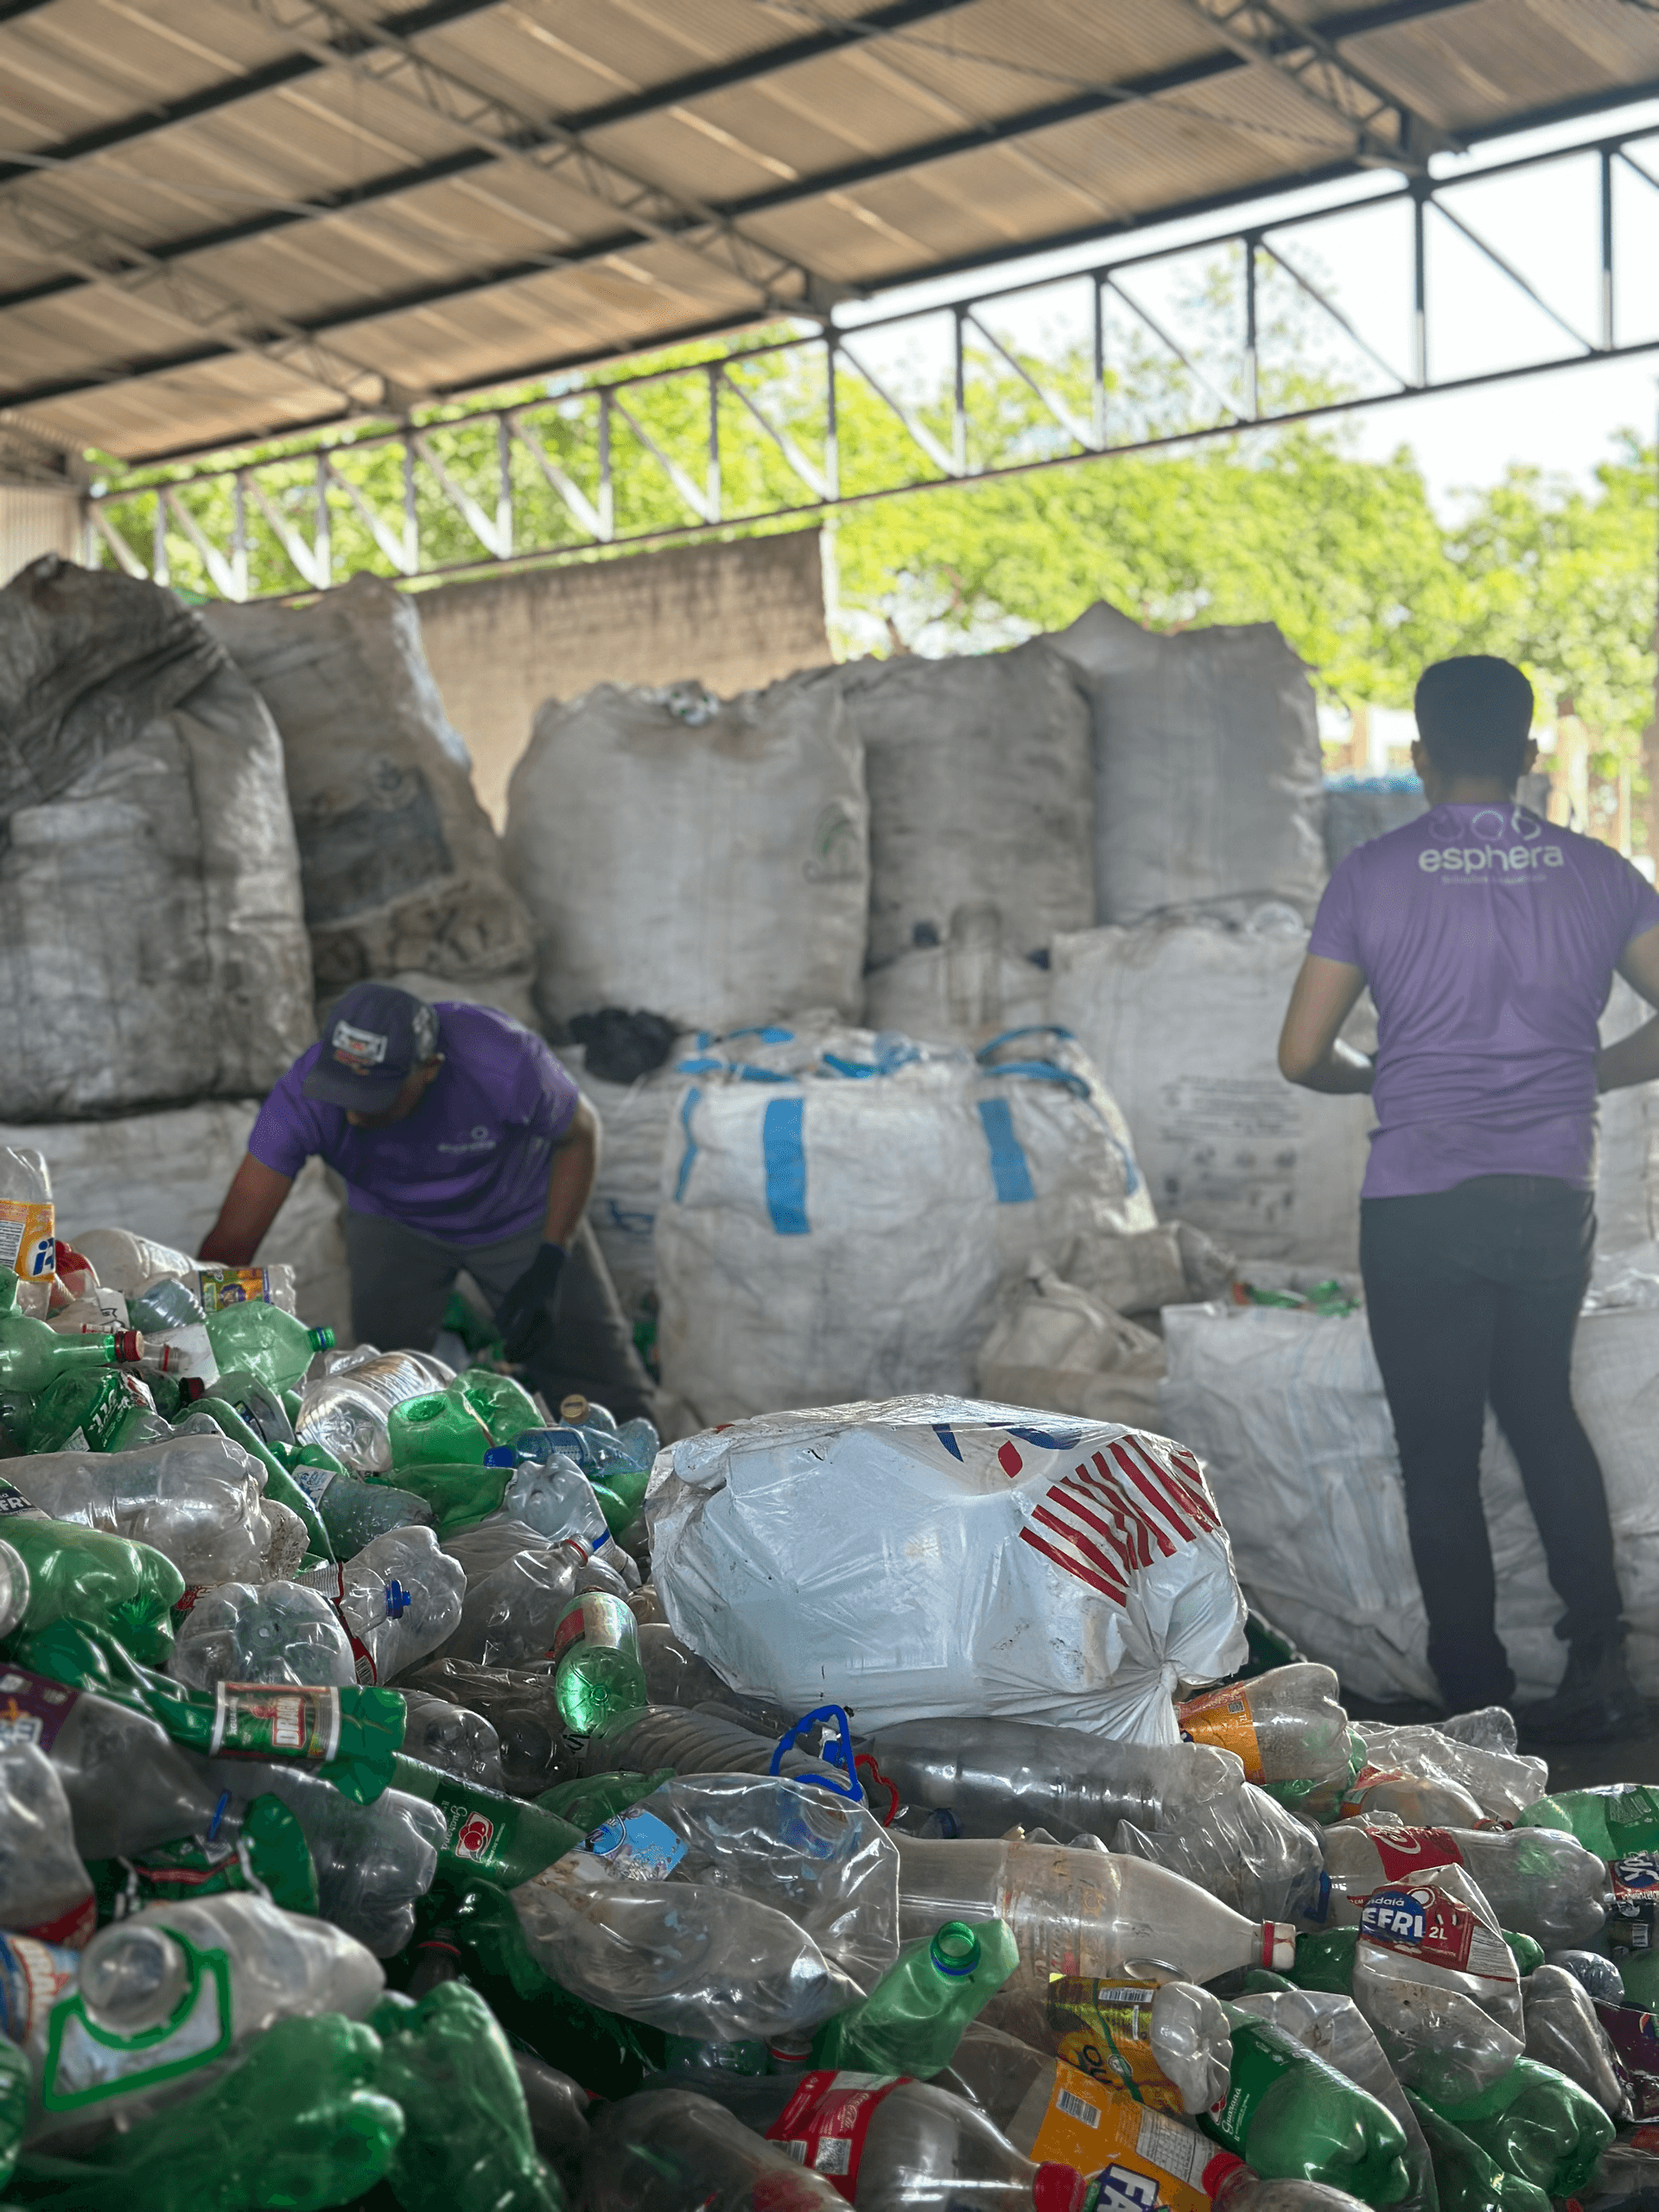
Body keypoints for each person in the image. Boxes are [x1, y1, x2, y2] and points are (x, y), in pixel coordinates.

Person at [1278, 654, 1659, 1741]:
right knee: (1543, 1412)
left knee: (1438, 1455)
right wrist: (1591, 1071)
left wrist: (1376, 1075)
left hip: (1419, 1200)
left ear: (1417, 759)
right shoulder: (1600, 873)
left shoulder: (1372, 874)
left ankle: (1478, 1702)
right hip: (1551, 1189)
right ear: (1532, 758)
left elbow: (1304, 1052)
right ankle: (1602, 1664)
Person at [199, 982, 656, 1423]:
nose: (354, 1112)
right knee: (382, 1376)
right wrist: (195, 1334)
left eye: (375, 1097)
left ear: (429, 1069)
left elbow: (580, 1135)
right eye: (343, 1092)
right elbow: (233, 1241)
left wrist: (551, 1258)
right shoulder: (303, 1097)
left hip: (517, 1212)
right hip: (392, 1219)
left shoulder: (501, 1061)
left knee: (596, 1378)